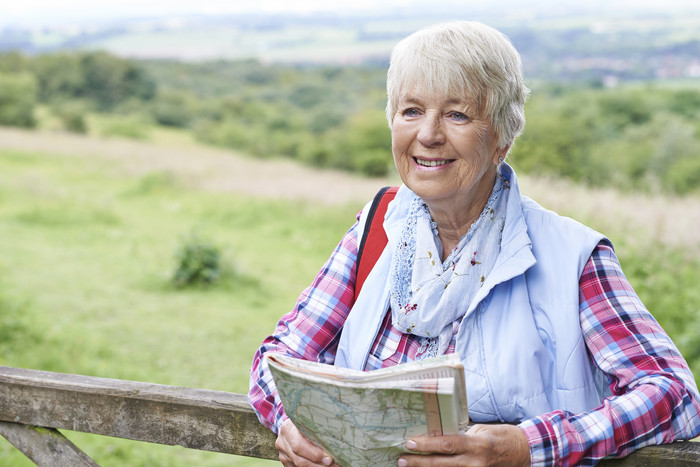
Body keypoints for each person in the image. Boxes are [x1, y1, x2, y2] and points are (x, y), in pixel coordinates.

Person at [248, 21, 700, 466]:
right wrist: (292, 422)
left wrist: (528, 447)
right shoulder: (378, 227)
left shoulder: (572, 256)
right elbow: (278, 358)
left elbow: (674, 394)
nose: (427, 134)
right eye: (411, 111)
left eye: (457, 114)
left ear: (502, 136)